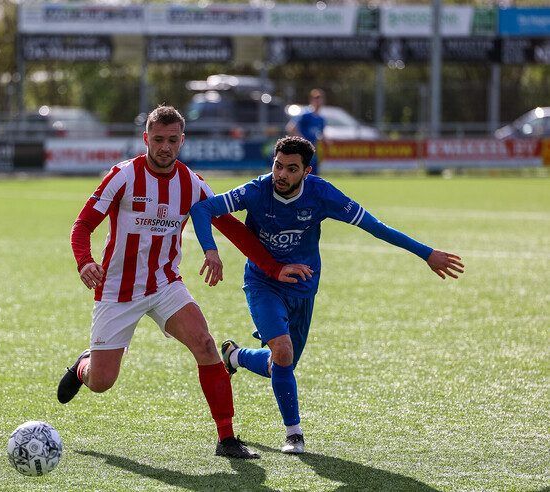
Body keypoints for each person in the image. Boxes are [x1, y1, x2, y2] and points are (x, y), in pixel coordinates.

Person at [58, 105, 311, 459]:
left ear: (182, 141)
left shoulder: (191, 183)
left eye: (172, 140)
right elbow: (82, 225)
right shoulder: (122, 176)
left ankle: (226, 439)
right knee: (102, 382)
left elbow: (232, 228)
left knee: (206, 345)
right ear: (146, 138)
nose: (165, 147)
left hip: (165, 284)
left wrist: (272, 267)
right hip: (118, 290)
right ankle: (85, 363)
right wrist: (85, 261)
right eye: (158, 139)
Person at [189, 135, 464, 455]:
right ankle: (294, 434)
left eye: (292, 169)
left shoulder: (322, 194)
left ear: (306, 171)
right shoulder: (257, 190)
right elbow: (204, 208)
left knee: (282, 364)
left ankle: (234, 356)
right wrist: (211, 252)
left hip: (304, 288)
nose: (281, 174)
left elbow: (376, 227)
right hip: (263, 282)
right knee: (282, 350)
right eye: (278, 166)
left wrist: (426, 253)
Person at [286, 88, 325, 175]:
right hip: (302, 151)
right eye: (316, 98)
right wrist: (303, 141)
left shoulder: (321, 119)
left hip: (313, 152)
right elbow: (291, 128)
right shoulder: (305, 114)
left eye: (320, 98)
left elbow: (320, 135)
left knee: (313, 177)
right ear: (311, 100)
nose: (318, 100)